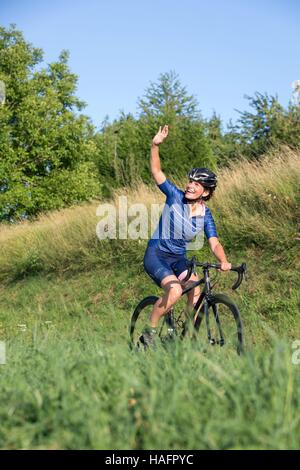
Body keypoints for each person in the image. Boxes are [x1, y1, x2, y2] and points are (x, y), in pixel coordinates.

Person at [142, 124, 231, 346]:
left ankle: (185, 338)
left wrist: (223, 261)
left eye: (197, 184)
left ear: (206, 192)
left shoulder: (205, 214)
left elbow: (214, 242)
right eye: (190, 181)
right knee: (173, 291)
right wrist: (155, 145)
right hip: (157, 254)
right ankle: (148, 334)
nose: (190, 186)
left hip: (178, 259)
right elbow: (156, 172)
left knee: (195, 290)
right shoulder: (175, 196)